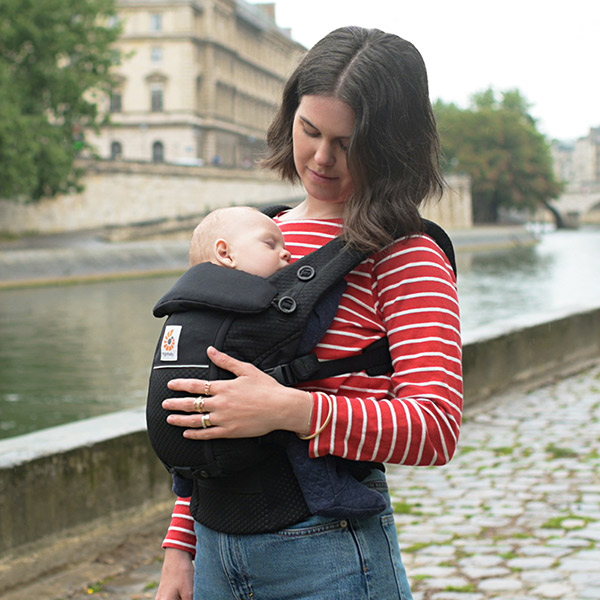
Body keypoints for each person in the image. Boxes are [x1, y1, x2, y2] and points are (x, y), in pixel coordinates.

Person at [156, 26, 463, 600]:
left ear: (393, 146)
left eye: (348, 143)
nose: (322, 158)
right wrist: (180, 547)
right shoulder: (250, 235)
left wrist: (289, 409)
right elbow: (208, 397)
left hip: (328, 553)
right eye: (310, 130)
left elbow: (436, 429)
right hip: (214, 544)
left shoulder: (407, 253)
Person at [148, 204, 387, 517]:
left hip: (178, 445)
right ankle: (329, 494)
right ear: (226, 253)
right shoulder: (254, 308)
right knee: (291, 433)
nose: (287, 254)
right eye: (271, 244)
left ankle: (183, 485)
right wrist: (327, 287)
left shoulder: (184, 308)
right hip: (248, 454)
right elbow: (306, 330)